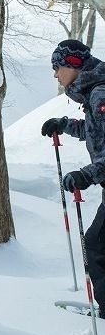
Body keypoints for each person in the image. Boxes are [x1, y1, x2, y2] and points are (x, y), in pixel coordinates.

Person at [40, 39, 105, 318]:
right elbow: (96, 133)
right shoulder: (94, 90)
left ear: (74, 65)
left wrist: (85, 175)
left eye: (57, 67)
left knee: (96, 245)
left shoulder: (100, 94)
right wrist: (65, 125)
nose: (55, 74)